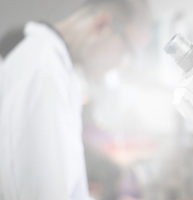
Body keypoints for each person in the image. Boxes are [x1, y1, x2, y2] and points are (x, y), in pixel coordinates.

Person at [0, 0, 150, 199]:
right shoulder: (44, 71)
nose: (120, 65)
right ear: (102, 25)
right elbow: (42, 193)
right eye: (126, 52)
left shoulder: (57, 69)